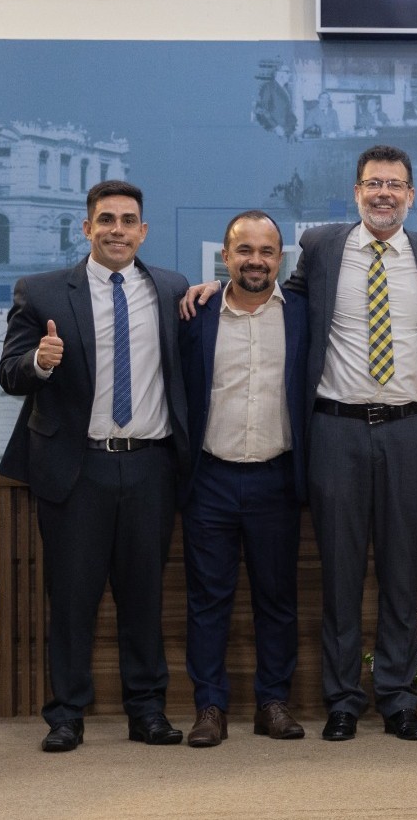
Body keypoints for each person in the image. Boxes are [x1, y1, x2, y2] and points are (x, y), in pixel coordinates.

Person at [182, 145, 417, 742]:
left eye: (395, 184)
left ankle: (396, 697)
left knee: (400, 570)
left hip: (410, 427)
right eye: (372, 184)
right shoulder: (324, 246)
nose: (383, 193)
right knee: (339, 572)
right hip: (334, 427)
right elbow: (265, 289)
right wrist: (212, 286)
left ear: (412, 194)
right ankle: (342, 699)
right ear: (356, 192)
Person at [0, 179, 191, 752]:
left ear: (143, 231)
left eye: (128, 221)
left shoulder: (171, 289)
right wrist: (39, 360)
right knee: (73, 598)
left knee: (143, 597)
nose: (117, 230)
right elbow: (10, 373)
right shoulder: (44, 292)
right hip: (77, 468)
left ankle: (147, 711)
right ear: (87, 229)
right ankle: (66, 714)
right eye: (106, 220)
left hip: (152, 467)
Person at [177, 211, 309, 747]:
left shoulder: (303, 314)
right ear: (225, 257)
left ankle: (272, 704)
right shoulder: (194, 314)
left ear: (281, 258)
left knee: (276, 599)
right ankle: (210, 707)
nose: (256, 260)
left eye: (267, 251)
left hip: (277, 479)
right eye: (244, 250)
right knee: (208, 600)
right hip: (208, 477)